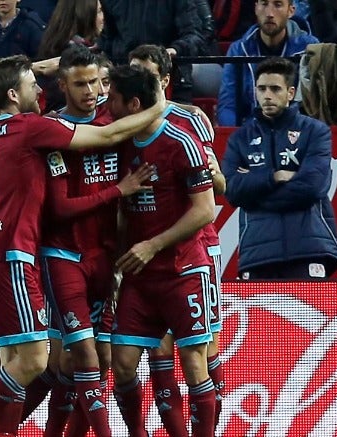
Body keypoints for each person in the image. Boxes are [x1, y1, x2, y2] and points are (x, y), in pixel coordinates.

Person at [0, 54, 165, 437]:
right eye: (33, 85)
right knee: (33, 359)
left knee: (17, 358)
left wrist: (30, 70)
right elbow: (107, 136)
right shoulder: (32, 127)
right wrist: (159, 103)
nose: (40, 90)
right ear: (15, 95)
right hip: (13, 251)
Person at [37, 45, 155, 437]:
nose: (93, 90)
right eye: (82, 83)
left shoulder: (113, 119)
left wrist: (188, 111)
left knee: (97, 361)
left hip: (104, 256)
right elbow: (58, 208)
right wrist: (118, 191)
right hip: (63, 254)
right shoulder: (52, 131)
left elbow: (153, 110)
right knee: (79, 357)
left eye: (99, 82)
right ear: (62, 86)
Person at [107, 64, 216, 437]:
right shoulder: (117, 143)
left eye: (113, 100)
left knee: (192, 360)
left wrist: (152, 245)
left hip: (182, 269)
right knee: (122, 363)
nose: (107, 107)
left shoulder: (181, 141)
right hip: (139, 275)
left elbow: (205, 210)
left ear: (133, 103)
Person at [128, 43, 227, 435]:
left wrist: (212, 172)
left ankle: (209, 425)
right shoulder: (123, 124)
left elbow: (217, 186)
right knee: (159, 347)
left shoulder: (190, 122)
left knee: (201, 348)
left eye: (146, 73)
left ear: (165, 81)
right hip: (148, 253)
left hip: (196, 245)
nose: (137, 79)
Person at [221, 57, 337, 280]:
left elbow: (312, 187)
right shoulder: (239, 139)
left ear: (291, 93)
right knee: (261, 317)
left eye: (275, 89)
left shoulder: (315, 131)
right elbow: (232, 191)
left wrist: (254, 193)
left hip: (309, 248)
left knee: (309, 317)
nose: (267, 95)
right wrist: (275, 177)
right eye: (261, 88)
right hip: (258, 253)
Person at [217, 0, 319, 127]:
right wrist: (237, 136)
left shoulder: (310, 48)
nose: (270, 13)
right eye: (264, 4)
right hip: (251, 133)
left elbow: (316, 105)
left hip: (296, 134)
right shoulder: (238, 49)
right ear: (256, 8)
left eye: (278, 5)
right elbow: (228, 104)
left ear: (291, 11)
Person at [99, 0, 204, 103]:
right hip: (124, 81)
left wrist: (176, 49)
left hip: (173, 79)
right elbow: (108, 38)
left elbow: (194, 36)